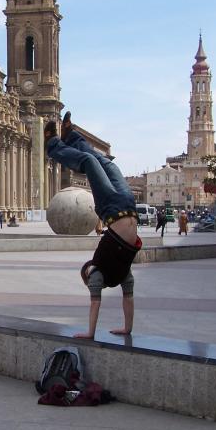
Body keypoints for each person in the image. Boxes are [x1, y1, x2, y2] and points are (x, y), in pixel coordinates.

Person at [44, 111, 142, 338]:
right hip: (127, 205)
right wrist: (127, 328)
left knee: (90, 162)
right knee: (107, 164)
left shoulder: (98, 272)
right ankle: (71, 136)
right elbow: (128, 298)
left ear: (88, 277)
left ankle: (54, 145)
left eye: (87, 274)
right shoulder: (122, 274)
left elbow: (95, 303)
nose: (88, 272)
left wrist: (90, 333)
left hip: (112, 209)